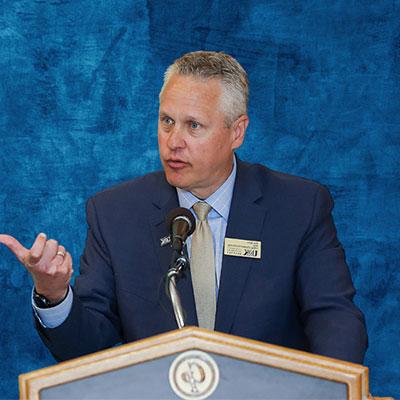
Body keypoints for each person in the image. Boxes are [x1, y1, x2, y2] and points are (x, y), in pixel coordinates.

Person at [0, 51, 367, 363]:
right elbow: (85, 346)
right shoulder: (115, 214)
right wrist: (54, 294)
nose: (174, 142)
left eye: (193, 126)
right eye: (167, 121)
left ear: (237, 132)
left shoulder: (298, 207)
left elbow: (334, 319)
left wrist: (329, 389)